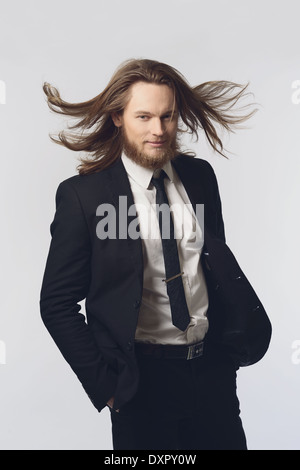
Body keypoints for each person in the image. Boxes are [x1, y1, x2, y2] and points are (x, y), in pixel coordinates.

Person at [40, 59, 272, 450]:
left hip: (211, 375)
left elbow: (213, 270)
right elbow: (56, 303)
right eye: (144, 116)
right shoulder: (84, 196)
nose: (158, 130)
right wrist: (108, 388)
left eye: (167, 116)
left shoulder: (200, 179)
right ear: (117, 116)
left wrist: (225, 359)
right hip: (141, 386)